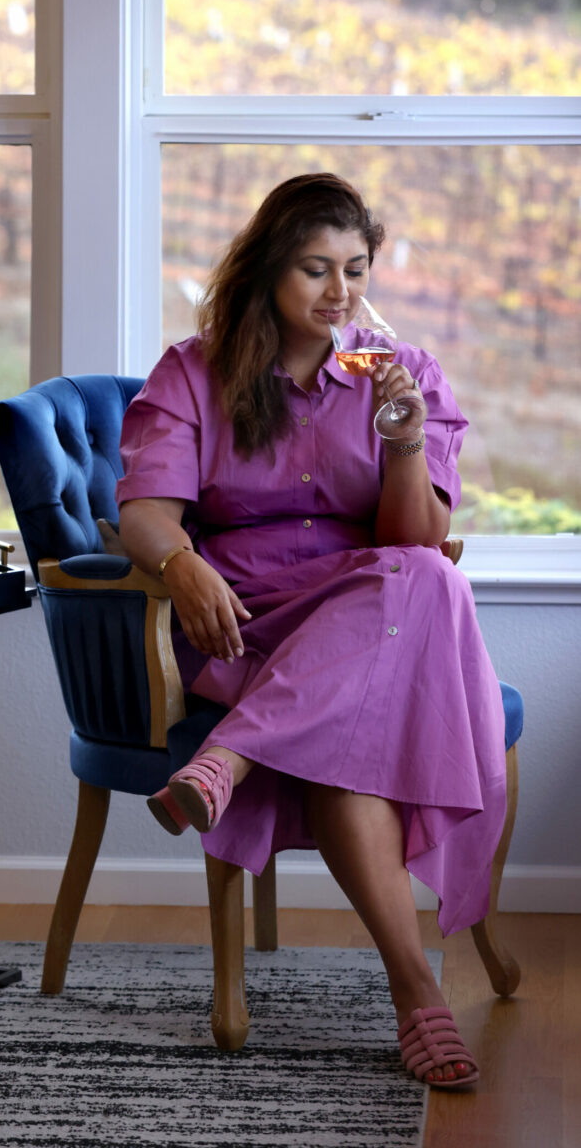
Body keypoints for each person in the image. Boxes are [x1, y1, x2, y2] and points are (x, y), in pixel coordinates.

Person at [115, 172, 506, 1091]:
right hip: (241, 618)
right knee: (375, 682)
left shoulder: (400, 375)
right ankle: (417, 998)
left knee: (420, 574)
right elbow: (144, 513)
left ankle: (228, 763)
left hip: (367, 609)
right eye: (315, 269)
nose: (341, 294)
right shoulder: (193, 371)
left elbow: (412, 539)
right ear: (266, 272)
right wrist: (182, 565)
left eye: (357, 270)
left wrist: (403, 439)